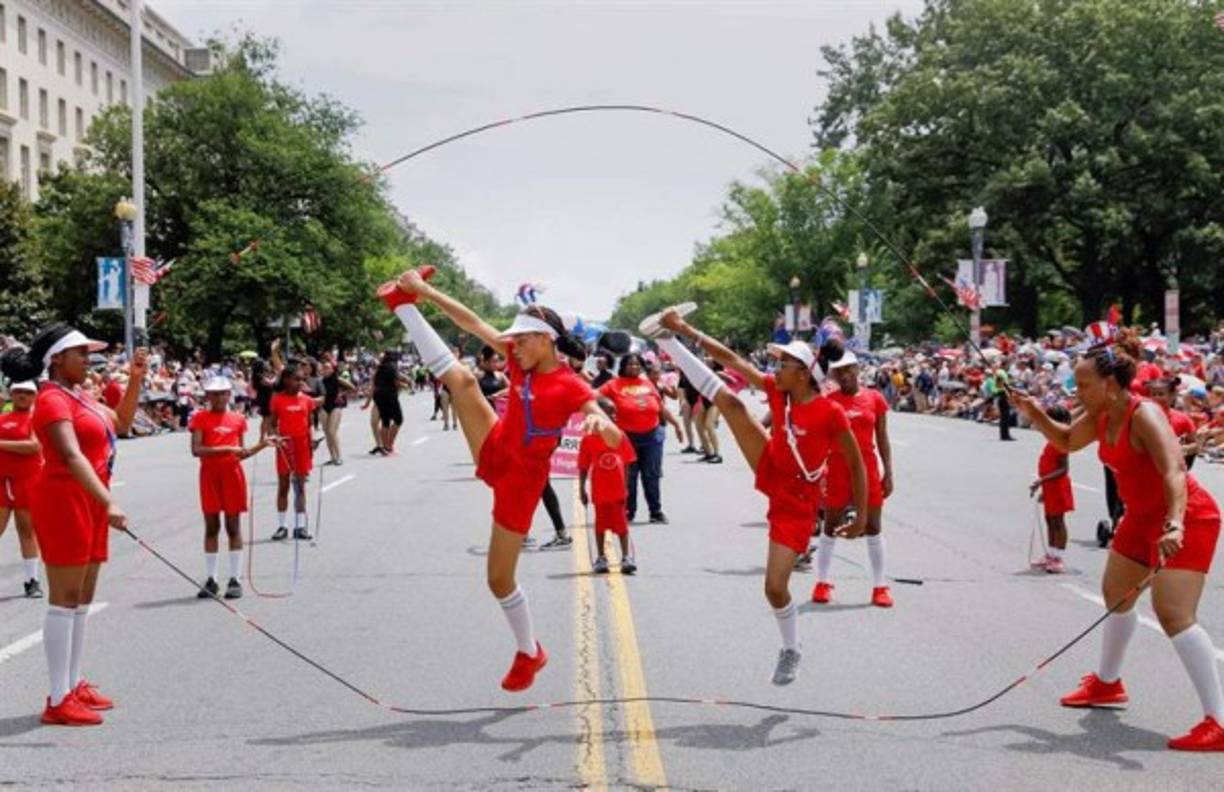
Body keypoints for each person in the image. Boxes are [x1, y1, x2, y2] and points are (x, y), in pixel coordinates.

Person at [380, 267, 622, 692]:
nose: (513, 344)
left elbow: (606, 424)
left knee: (498, 579)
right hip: (496, 444)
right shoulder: (518, 358)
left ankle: (530, 651)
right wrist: (423, 292)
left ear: (545, 340)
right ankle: (402, 306)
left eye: (523, 339)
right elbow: (472, 322)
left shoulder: (569, 385)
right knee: (461, 379)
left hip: (521, 482)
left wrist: (601, 428)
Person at [1013, 330, 1224, 751]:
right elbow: (1067, 440)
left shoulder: (1144, 415)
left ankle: (1217, 722)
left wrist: (1177, 524)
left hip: (1186, 517)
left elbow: (1173, 472)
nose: (1077, 391)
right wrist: (1034, 412)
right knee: (1116, 595)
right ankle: (1108, 685)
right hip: (1139, 517)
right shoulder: (1100, 414)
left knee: (1173, 613)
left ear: (1110, 384)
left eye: (1084, 384)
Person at [639, 306, 867, 686]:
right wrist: (682, 330)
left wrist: (859, 515)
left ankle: (791, 648)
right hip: (771, 463)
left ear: (803, 373)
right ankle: (667, 343)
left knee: (774, 588)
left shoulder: (830, 414)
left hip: (798, 501)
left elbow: (857, 465)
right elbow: (731, 361)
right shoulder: (779, 392)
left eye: (784, 364)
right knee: (730, 403)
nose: (775, 368)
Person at [1, 325, 146, 727]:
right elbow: (69, 454)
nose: (89, 359)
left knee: (82, 598)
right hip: (65, 499)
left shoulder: (79, 395)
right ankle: (57, 696)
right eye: (81, 353)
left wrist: (135, 380)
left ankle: (74, 681)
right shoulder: (50, 400)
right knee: (64, 599)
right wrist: (108, 500)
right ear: (57, 359)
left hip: (89, 498)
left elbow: (120, 423)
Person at [813, 351, 896, 607]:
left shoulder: (874, 399)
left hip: (868, 467)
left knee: (873, 526)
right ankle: (822, 582)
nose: (845, 374)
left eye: (849, 368)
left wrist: (889, 472)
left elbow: (882, 438)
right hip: (838, 467)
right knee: (830, 526)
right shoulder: (829, 400)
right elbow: (821, 441)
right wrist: (820, 473)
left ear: (858, 369)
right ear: (834, 375)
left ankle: (879, 586)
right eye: (840, 371)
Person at [189, 376, 274, 600]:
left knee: (233, 526)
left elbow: (242, 453)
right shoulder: (199, 418)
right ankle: (211, 579)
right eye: (213, 394)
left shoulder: (238, 419)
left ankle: (235, 578)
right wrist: (226, 448)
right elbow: (196, 450)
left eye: (223, 393)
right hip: (209, 475)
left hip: (232, 475)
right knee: (211, 526)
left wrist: (263, 445)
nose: (218, 398)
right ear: (207, 396)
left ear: (229, 394)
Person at [599, 353, 682, 525]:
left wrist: (676, 424)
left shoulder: (647, 384)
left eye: (637, 364)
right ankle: (629, 512)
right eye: (630, 364)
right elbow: (595, 398)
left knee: (652, 475)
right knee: (629, 476)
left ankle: (655, 511)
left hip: (652, 436)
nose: (634, 367)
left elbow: (659, 407)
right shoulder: (613, 385)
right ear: (623, 367)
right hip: (627, 438)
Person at [579, 397, 638, 574]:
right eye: (608, 412)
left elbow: (628, 462)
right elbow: (583, 465)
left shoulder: (620, 435)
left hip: (618, 489)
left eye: (614, 413)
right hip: (599, 489)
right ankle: (601, 557)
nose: (612, 416)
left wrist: (626, 486)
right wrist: (582, 488)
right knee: (600, 524)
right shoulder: (588, 439)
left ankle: (626, 557)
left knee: (621, 524)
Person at [267, 364, 323, 541]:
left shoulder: (306, 400)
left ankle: (299, 527)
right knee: (283, 486)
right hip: (285, 445)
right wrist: (274, 436)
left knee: (300, 487)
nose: (300, 382)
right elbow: (272, 423)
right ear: (286, 380)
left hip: (302, 446)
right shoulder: (277, 399)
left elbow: (309, 424)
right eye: (296, 379)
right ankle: (282, 526)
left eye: (302, 379)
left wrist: (312, 440)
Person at [0, 380, 44, 597]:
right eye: (19, 392)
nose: (23, 396)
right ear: (11, 394)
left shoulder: (37, 419)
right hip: (1, 481)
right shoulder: (2, 419)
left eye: (28, 392)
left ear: (35, 396)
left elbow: (34, 446)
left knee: (26, 531)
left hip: (28, 480)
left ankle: (32, 580)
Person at [1029, 405, 1074, 574]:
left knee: (1058, 521)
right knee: (1050, 520)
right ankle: (1051, 553)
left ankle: (1058, 557)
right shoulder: (1052, 440)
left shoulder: (1061, 442)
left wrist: (1041, 481)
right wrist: (1044, 488)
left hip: (1059, 486)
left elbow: (1063, 469)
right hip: (1050, 487)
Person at [1147, 378, 1200, 470]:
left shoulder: (1182, 419)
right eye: (1153, 394)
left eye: (1161, 394)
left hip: (1171, 466)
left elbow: (1195, 444)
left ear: (1172, 395)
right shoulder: (1141, 416)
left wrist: (1184, 449)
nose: (1156, 398)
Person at [320, 359, 357, 466]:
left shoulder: (337, 379)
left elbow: (353, 388)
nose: (325, 370)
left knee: (332, 431)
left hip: (336, 406)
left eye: (327, 368)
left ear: (332, 369)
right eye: (323, 368)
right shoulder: (320, 381)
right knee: (327, 433)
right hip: (324, 407)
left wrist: (342, 394)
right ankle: (332, 457)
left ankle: (339, 456)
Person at [370, 352, 408, 455]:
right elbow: (396, 381)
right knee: (399, 419)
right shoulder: (392, 366)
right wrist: (404, 386)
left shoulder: (381, 367)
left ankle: (385, 447)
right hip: (389, 395)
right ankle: (389, 446)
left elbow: (374, 383)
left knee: (385, 421)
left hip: (378, 396)